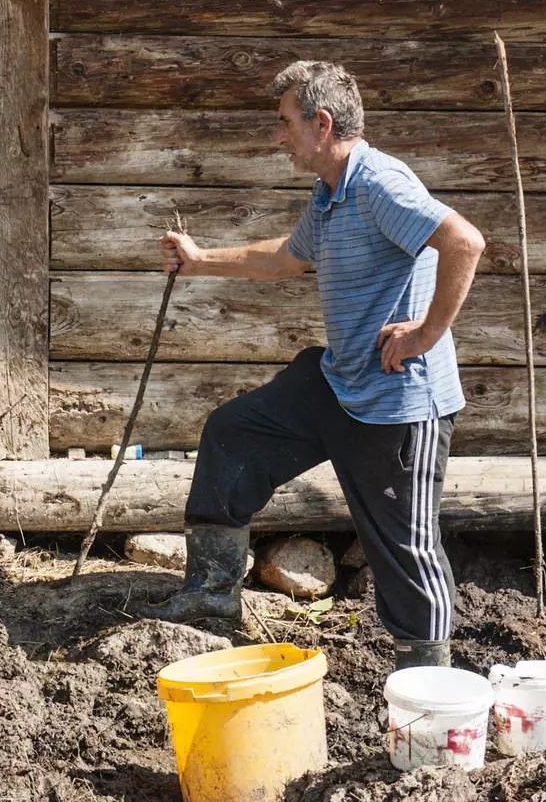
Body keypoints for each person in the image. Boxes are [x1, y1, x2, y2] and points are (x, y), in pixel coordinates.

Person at [156, 60, 485, 668]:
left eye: (285, 123)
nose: (278, 136)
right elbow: (284, 258)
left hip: (397, 399)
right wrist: (199, 259)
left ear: (322, 122)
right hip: (339, 380)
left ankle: (428, 683)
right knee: (234, 435)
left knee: (405, 549)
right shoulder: (331, 192)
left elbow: (464, 241)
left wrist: (428, 333)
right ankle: (212, 594)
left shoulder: (380, 183)